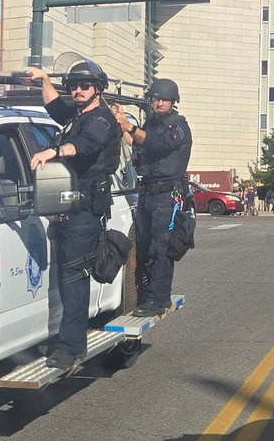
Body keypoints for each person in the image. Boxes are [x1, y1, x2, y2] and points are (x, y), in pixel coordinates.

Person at [25, 59, 122, 372]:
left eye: (84, 86)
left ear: (97, 88)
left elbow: (86, 144)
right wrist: (43, 80)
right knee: (64, 277)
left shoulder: (102, 120)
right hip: (65, 203)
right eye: (73, 86)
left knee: (73, 278)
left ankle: (71, 347)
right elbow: (55, 108)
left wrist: (53, 152)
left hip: (85, 208)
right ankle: (66, 337)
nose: (77, 91)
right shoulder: (77, 115)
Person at [110, 77, 192, 317]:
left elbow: (156, 145)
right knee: (144, 248)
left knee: (161, 248)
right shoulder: (151, 124)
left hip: (167, 195)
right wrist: (120, 121)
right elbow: (137, 145)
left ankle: (159, 299)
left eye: (164, 99)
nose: (159, 103)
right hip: (147, 192)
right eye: (156, 98)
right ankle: (146, 296)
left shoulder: (178, 126)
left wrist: (130, 127)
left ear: (173, 101)